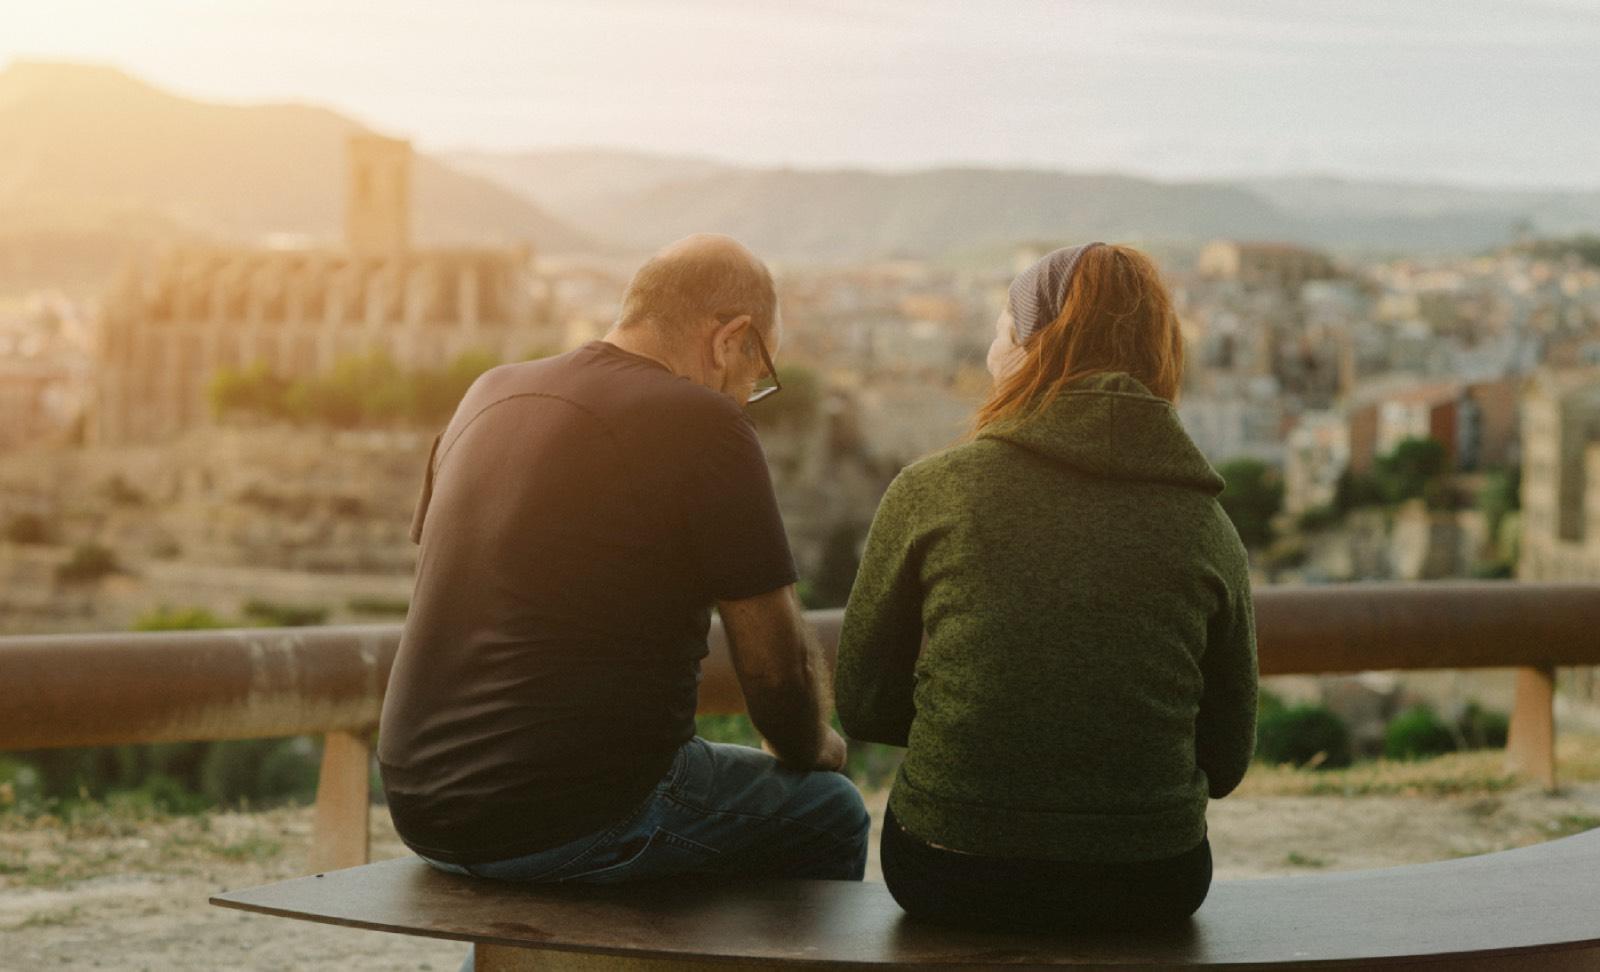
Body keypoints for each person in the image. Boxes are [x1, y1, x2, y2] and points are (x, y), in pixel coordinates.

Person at [379, 235, 868, 903]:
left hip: (418, 803)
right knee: (829, 811)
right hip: (575, 812)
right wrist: (816, 746)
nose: (747, 396)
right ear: (732, 338)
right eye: (759, 376)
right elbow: (773, 666)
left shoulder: (488, 392)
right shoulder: (703, 420)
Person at [835, 242, 1257, 933]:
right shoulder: (1208, 525)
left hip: (949, 865)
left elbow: (863, 705)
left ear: (1034, 347)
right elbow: (1227, 759)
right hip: (1150, 878)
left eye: (1004, 326)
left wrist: (985, 730)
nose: (990, 348)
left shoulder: (933, 489)